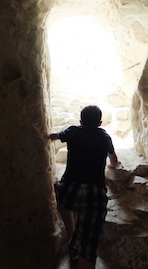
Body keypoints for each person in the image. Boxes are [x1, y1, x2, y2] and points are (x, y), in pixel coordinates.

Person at [48, 105, 119, 269]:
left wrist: (47, 135)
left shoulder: (73, 131)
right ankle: (81, 248)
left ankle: (72, 238)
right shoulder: (105, 137)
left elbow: (55, 136)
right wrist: (113, 166)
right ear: (100, 122)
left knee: (63, 203)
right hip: (94, 192)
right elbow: (113, 160)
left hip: (70, 188)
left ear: (81, 121)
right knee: (89, 243)